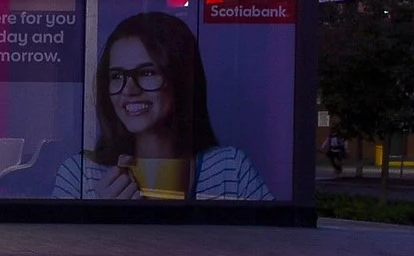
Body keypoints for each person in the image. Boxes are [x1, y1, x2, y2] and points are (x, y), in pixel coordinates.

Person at [57, 12, 270, 201]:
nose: (129, 89)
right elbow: (55, 246)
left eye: (147, 73)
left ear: (180, 79)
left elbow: (269, 243)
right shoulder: (80, 174)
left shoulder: (229, 168)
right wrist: (105, 220)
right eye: (117, 76)